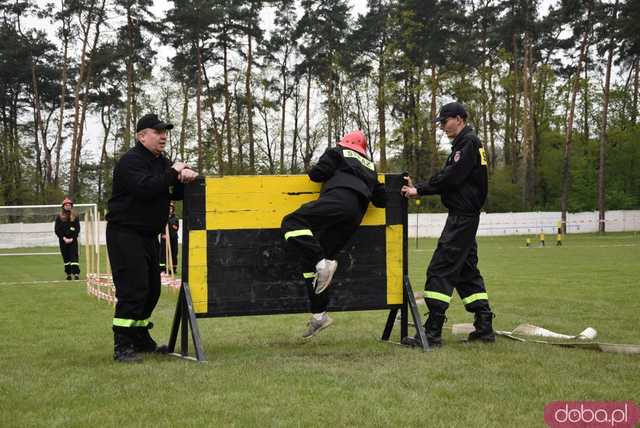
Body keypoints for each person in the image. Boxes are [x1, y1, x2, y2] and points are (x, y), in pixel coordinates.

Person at [400, 102, 495, 347]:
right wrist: (419, 186)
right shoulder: (466, 143)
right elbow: (451, 176)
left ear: (459, 119)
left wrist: (418, 189)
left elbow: (452, 177)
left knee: (440, 269)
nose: (442, 127)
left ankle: (432, 332)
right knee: (466, 272)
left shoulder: (468, 143)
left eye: (444, 122)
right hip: (464, 215)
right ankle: (484, 327)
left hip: (462, 217)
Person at [106, 113, 198, 362]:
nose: (163, 136)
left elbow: (169, 191)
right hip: (125, 233)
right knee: (133, 289)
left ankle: (139, 337)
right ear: (141, 136)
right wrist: (172, 173)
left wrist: (184, 178)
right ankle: (122, 345)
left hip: (148, 236)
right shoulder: (130, 161)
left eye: (165, 132)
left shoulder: (161, 163)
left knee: (152, 290)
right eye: (157, 132)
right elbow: (145, 188)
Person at [281, 130, 386, 339]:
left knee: (291, 222)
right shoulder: (371, 168)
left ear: (345, 142)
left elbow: (316, 174)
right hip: (356, 215)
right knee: (310, 264)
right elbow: (382, 201)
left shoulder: (338, 152)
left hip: (339, 200)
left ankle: (321, 262)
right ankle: (319, 315)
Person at [54, 197, 80, 280]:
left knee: (74, 257)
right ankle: (68, 274)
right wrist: (63, 238)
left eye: (69, 205)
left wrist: (73, 238)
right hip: (63, 241)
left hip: (73, 241)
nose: (68, 206)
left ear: (71, 206)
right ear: (63, 206)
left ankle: (76, 273)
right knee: (66, 257)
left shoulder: (75, 216)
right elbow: (57, 229)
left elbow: (77, 228)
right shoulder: (59, 217)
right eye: (66, 205)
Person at [159, 201, 179, 274]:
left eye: (171, 208)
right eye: (168, 208)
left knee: (174, 253)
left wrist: (171, 224)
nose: (170, 210)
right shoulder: (163, 217)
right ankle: (162, 269)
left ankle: (173, 268)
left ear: (172, 209)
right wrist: (163, 234)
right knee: (163, 253)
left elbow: (176, 228)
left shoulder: (175, 218)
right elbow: (160, 227)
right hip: (164, 237)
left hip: (173, 238)